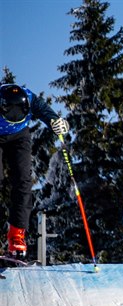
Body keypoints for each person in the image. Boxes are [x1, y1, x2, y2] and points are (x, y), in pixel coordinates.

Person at [0, 84, 69, 257]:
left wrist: (57, 123)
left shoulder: (31, 100)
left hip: (19, 136)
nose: (13, 117)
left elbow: (49, 115)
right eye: (10, 116)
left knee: (23, 181)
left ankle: (17, 235)